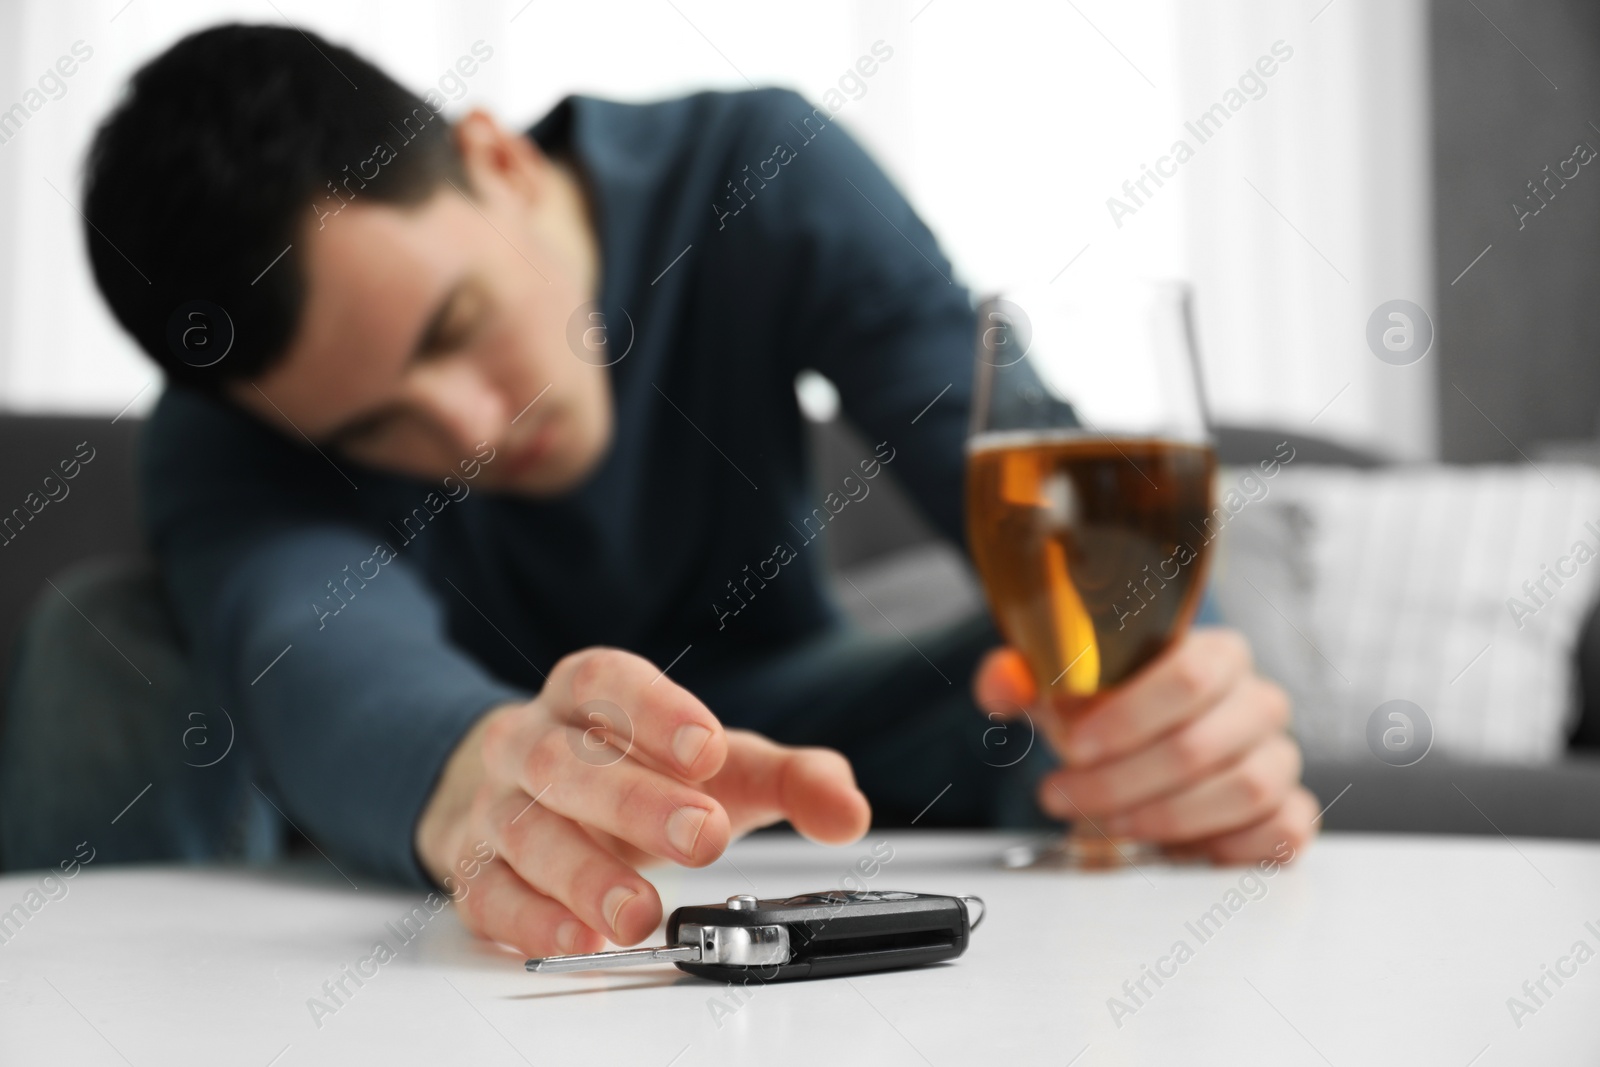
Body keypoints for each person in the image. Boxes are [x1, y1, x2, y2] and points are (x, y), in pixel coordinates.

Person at [47, 23, 1313, 956]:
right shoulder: (219, 433)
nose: (473, 430)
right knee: (108, 627)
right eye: (374, 428)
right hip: (392, 801)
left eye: (457, 324)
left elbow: (1041, 491)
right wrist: (483, 772)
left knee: (1038, 660)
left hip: (775, 738)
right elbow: (305, 645)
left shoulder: (757, 170)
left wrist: (1171, 718)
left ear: (496, 161)